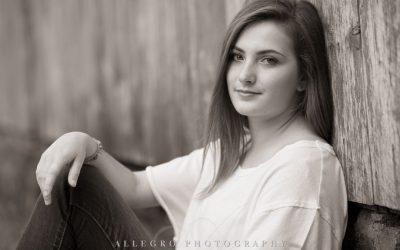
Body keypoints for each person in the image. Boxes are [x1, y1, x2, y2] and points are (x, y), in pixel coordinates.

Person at [17, 0, 348, 249]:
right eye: (237, 56)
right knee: (72, 187)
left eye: (268, 60)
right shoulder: (232, 151)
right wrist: (82, 142)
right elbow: (135, 188)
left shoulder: (302, 168)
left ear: (304, 76)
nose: (245, 75)